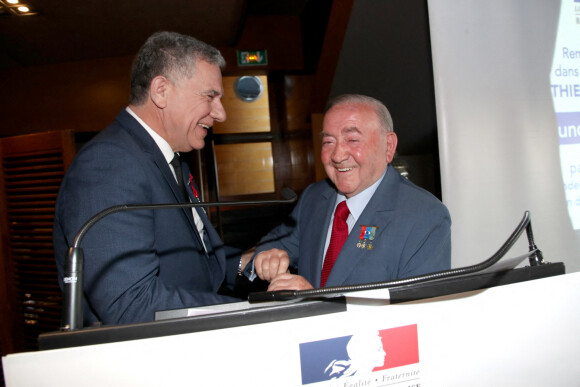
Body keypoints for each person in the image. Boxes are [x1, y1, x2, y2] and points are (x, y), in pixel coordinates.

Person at [53, 31, 245, 326]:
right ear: (161, 91)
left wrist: (249, 264)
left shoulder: (169, 159)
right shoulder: (108, 163)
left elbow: (191, 257)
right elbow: (129, 302)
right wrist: (248, 311)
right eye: (210, 96)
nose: (220, 113)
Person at [244, 94, 451, 290]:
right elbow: (275, 244)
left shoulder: (425, 216)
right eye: (328, 142)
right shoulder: (315, 197)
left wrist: (316, 302)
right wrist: (266, 256)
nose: (337, 155)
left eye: (352, 140)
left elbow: (419, 312)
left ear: (388, 146)